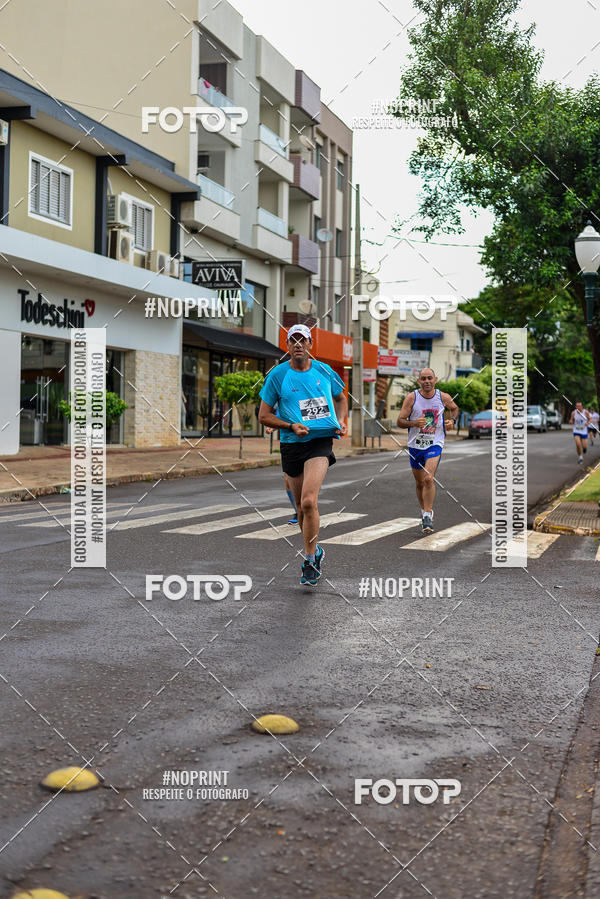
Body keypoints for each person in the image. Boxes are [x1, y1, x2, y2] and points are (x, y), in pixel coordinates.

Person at [258, 324, 348, 585]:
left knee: (309, 501)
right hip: (291, 443)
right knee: (299, 509)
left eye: (302, 340)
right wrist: (290, 426)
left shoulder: (324, 370)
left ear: (310, 344)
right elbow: (264, 416)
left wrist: (342, 421)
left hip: (319, 441)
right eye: (293, 340)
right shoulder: (277, 375)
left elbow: (341, 398)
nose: (298, 344)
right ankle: (315, 550)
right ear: (287, 346)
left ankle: (309, 560)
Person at [396, 368, 459, 534]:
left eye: (429, 378)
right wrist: (414, 423)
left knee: (428, 478)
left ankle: (428, 514)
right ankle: (424, 511)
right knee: (419, 483)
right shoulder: (412, 398)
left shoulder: (443, 397)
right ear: (419, 381)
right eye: (423, 378)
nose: (427, 381)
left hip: (434, 443)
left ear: (435, 379)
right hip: (415, 445)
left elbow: (454, 408)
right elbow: (400, 421)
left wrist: (452, 421)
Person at [265, 425, 299, 524]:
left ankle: (307, 509)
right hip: (287, 444)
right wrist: (273, 427)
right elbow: (282, 419)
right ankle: (298, 512)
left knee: (303, 481)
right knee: (288, 481)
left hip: (306, 443)